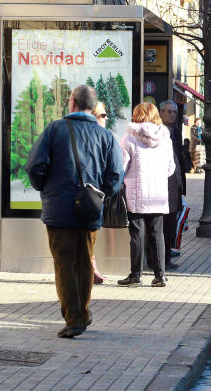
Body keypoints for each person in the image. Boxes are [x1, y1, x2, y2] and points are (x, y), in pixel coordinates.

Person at [26, 85, 124, 338]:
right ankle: (81, 313)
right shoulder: (105, 136)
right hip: (89, 210)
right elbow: (115, 175)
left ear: (72, 103)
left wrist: (46, 188)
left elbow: (35, 166)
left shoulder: (55, 130)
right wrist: (100, 195)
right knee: (84, 262)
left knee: (64, 263)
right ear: (93, 107)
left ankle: (75, 318)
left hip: (58, 209)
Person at [117, 103, 175, 288]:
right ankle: (160, 276)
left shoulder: (129, 137)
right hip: (158, 194)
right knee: (157, 234)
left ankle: (136, 275)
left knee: (137, 233)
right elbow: (170, 168)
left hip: (137, 192)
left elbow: (121, 166)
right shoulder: (165, 138)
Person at [159, 100, 190, 271]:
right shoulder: (159, 132)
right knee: (163, 222)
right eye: (169, 111)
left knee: (171, 221)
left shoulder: (175, 131)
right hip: (164, 183)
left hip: (176, 183)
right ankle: (161, 258)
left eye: (174, 112)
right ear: (161, 113)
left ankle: (168, 254)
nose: (172, 114)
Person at [90, 101, 109, 284]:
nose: (106, 118)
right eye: (103, 115)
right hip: (94, 193)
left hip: (93, 193)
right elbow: (115, 169)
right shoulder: (103, 136)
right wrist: (108, 191)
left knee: (89, 234)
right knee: (89, 233)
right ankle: (91, 268)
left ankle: (90, 266)